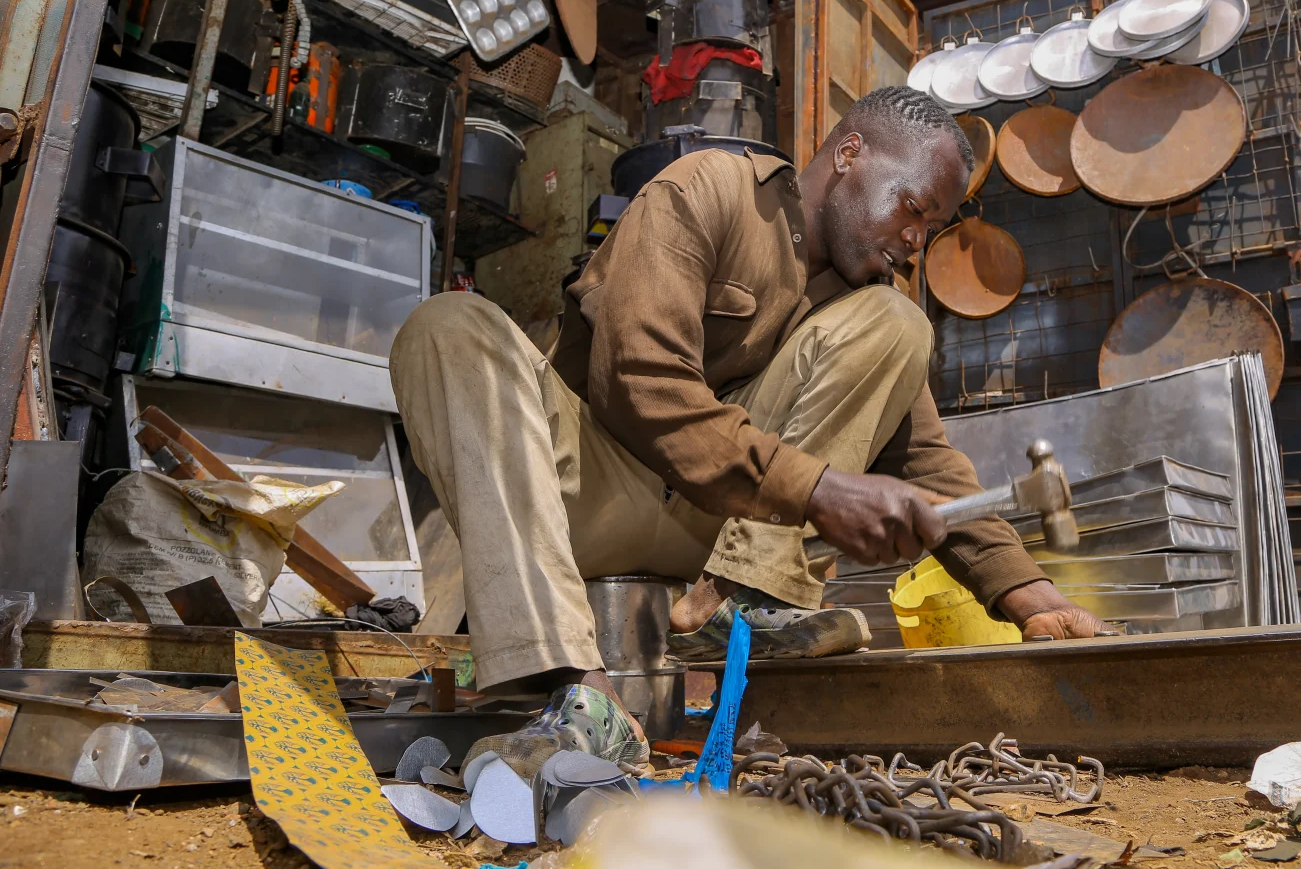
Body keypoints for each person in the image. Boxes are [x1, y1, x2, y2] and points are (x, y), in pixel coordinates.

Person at [390, 87, 1108, 774]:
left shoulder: (870, 304)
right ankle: (583, 695)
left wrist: (1032, 598)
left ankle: (749, 602)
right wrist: (819, 491)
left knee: (900, 323)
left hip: (713, 538)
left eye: (933, 226)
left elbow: (928, 461)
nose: (917, 241)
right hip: (584, 486)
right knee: (447, 325)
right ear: (850, 153)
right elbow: (638, 377)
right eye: (914, 209)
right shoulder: (707, 190)